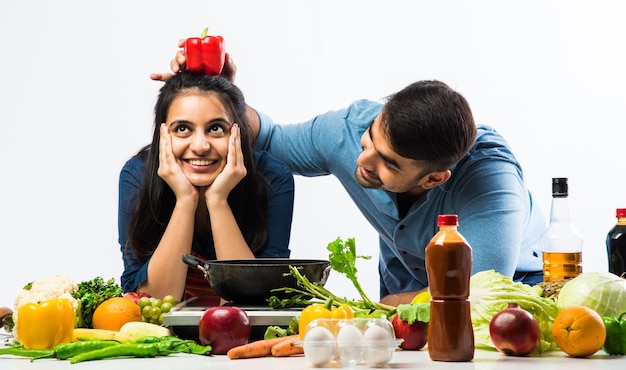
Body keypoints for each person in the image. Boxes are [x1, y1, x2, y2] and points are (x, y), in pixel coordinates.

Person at [153, 47, 545, 307]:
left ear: (433, 178)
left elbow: (472, 294)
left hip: (509, 308)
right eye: (371, 137)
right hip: (400, 303)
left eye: (389, 164)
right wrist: (221, 94)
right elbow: (268, 136)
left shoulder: (492, 184)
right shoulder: (346, 130)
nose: (364, 160)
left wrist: (365, 309)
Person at [119, 70, 295, 301]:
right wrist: (185, 200)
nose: (200, 146)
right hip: (165, 336)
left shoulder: (272, 177)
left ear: (237, 132)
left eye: (215, 128)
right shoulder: (138, 176)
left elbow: (257, 303)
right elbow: (150, 304)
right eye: (182, 129)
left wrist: (218, 201)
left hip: (246, 336)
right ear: (163, 135)